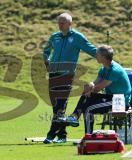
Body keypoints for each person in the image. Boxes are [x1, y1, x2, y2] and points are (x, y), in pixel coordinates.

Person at [42, 12, 97, 144]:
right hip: (53, 74)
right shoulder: (54, 37)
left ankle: (50, 135)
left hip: (67, 75)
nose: (60, 25)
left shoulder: (77, 37)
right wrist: (47, 60)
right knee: (56, 105)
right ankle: (62, 135)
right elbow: (46, 50)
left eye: (63, 23)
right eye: (59, 23)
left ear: (70, 24)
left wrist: (106, 57)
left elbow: (92, 49)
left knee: (61, 104)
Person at [60, 44, 132, 134]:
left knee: (88, 109)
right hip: (111, 97)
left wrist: (90, 89)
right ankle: (74, 117)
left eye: (97, 54)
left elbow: (99, 88)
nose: (95, 56)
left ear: (103, 57)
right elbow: (96, 82)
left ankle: (88, 135)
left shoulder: (115, 70)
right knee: (85, 97)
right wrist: (90, 85)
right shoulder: (103, 68)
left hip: (120, 101)